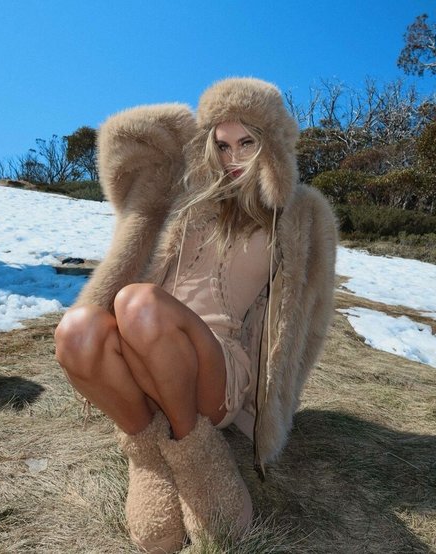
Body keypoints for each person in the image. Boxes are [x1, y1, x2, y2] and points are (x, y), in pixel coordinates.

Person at [54, 77, 337, 553]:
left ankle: (196, 450)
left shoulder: (295, 215)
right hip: (142, 346)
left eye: (247, 143)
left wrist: (272, 408)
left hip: (215, 367)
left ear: (271, 144)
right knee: (76, 330)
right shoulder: (184, 193)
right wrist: (187, 126)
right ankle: (147, 453)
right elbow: (123, 142)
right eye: (222, 144)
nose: (233, 157)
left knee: (139, 304)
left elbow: (305, 319)